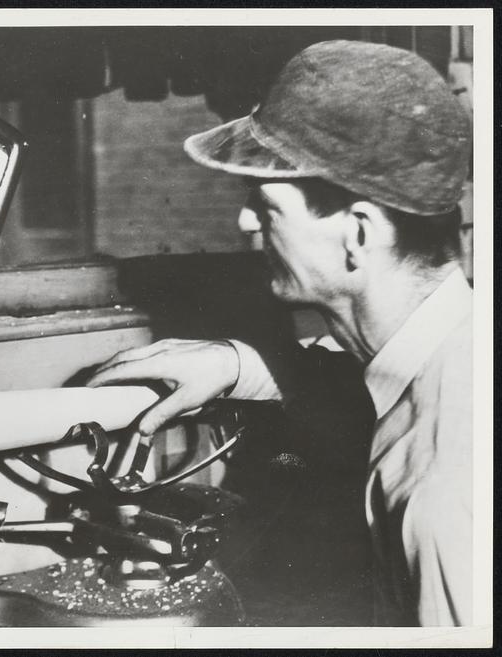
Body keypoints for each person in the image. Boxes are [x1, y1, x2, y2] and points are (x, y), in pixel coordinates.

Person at [87, 40, 472, 627]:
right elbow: (370, 378)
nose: (245, 220)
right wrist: (241, 364)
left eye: (266, 206)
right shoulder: (459, 349)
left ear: (358, 235)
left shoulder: (440, 489)